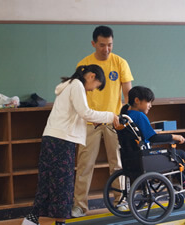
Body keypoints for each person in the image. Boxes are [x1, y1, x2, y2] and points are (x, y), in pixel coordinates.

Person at [21, 64, 119, 225]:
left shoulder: (68, 86)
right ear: (91, 76)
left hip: (51, 138)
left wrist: (94, 121)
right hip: (62, 140)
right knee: (63, 184)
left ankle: (32, 218)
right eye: (96, 87)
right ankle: (59, 222)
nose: (93, 90)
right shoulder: (77, 85)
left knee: (47, 180)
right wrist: (110, 116)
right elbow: (85, 112)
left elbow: (75, 115)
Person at [72, 25, 134, 217]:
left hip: (113, 121)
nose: (106, 49)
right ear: (93, 44)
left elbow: (128, 94)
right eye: (102, 45)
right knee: (84, 166)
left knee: (117, 164)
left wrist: (126, 117)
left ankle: (121, 201)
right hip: (89, 123)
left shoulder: (120, 63)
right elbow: (78, 95)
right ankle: (80, 206)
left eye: (109, 45)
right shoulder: (84, 65)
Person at [120, 86, 185, 196]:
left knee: (172, 157)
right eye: (148, 102)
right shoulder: (139, 115)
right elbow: (153, 138)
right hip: (144, 158)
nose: (151, 105)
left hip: (132, 157)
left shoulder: (126, 115)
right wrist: (174, 136)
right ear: (137, 101)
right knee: (179, 154)